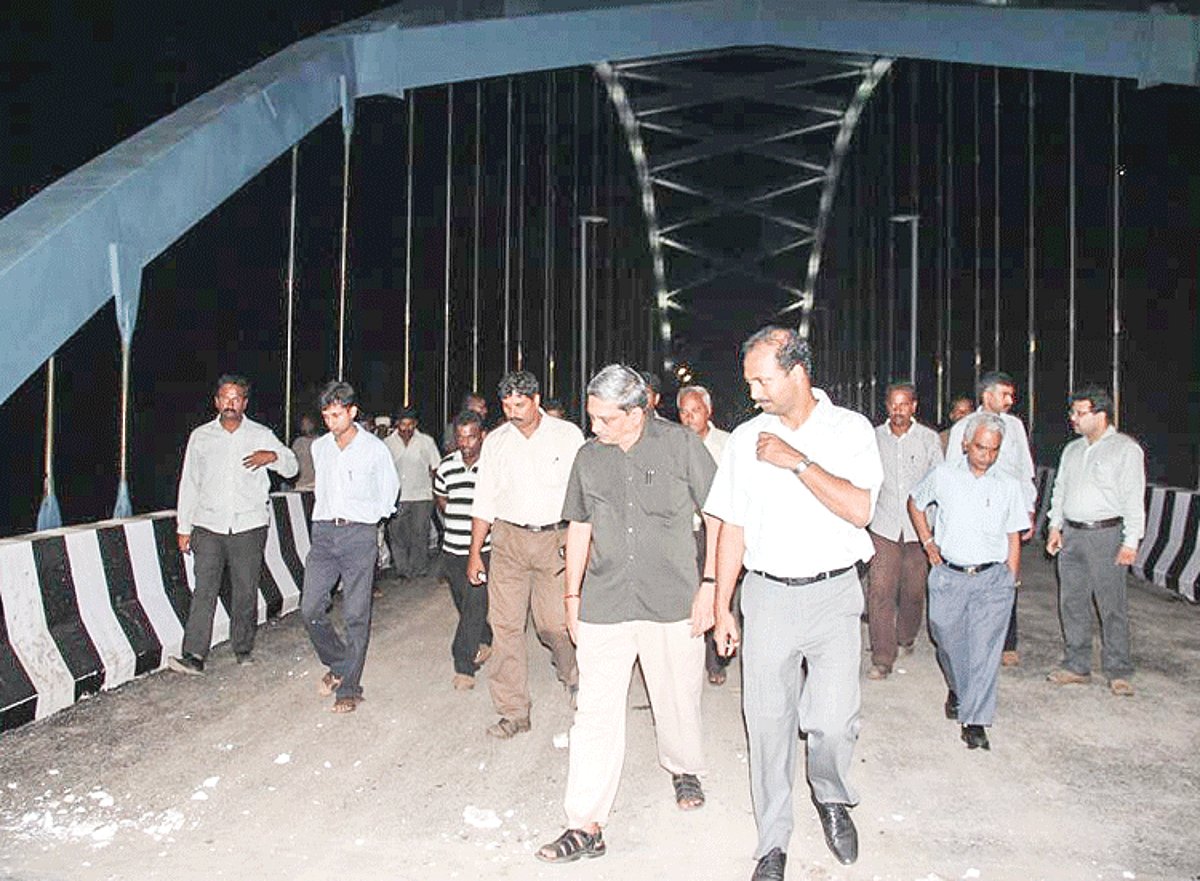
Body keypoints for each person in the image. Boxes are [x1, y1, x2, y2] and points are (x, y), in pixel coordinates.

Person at [706, 326, 882, 877]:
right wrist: (721, 604)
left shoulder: (850, 430)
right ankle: (772, 841)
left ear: (797, 371)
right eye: (750, 381)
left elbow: (860, 510)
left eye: (762, 379)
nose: (754, 391)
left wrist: (797, 461)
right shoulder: (742, 439)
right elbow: (731, 526)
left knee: (831, 722)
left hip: (833, 594)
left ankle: (830, 793)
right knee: (767, 723)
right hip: (768, 595)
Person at [536, 366, 718, 864]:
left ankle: (683, 767)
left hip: (673, 599)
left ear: (637, 413)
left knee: (677, 695)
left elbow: (720, 515)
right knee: (593, 711)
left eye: (605, 419)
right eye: (592, 417)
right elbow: (579, 526)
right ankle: (586, 823)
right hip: (606, 599)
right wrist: (571, 598)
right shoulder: (589, 458)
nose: (595, 428)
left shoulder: (681, 446)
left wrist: (712, 586)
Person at [467, 370, 585, 739]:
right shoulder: (496, 442)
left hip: (555, 541)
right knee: (505, 629)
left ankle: (573, 675)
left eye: (520, 404)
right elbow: (484, 498)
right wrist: (475, 553)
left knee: (555, 625)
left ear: (536, 401)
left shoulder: (567, 436)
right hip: (509, 543)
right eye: (506, 405)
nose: (513, 411)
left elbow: (583, 493)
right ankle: (514, 711)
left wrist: (582, 540)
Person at [908, 413, 1028, 751]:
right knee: (946, 639)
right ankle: (959, 687)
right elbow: (916, 504)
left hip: (992, 579)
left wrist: (1010, 578)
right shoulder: (943, 475)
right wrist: (928, 543)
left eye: (993, 450)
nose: (986, 456)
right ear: (965, 444)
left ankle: (975, 720)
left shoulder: (1007, 484)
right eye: (980, 447)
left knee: (985, 651)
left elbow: (1014, 533)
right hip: (948, 576)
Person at [169, 374, 297, 675]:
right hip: (208, 525)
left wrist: (273, 456)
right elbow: (189, 483)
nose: (230, 403)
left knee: (245, 589)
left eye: (236, 398)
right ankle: (194, 655)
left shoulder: (261, 433)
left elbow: (292, 466)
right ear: (216, 401)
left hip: (248, 525)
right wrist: (183, 527)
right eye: (225, 397)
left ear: (245, 403)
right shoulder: (200, 437)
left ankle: (243, 648)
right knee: (204, 590)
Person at [300, 381, 400, 714]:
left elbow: (390, 491)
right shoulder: (320, 448)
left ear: (352, 412)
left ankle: (351, 687)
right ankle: (341, 663)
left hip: (358, 534)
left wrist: (370, 520)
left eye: (338, 415)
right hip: (325, 532)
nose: (332, 422)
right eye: (327, 416)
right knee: (310, 606)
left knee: (356, 613)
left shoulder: (374, 448)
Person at [1045, 387, 1145, 697]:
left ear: (1100, 415)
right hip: (1072, 535)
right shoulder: (1072, 450)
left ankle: (1118, 669)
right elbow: (1059, 490)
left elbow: (1133, 499)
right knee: (1072, 602)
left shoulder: (1125, 450)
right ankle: (1077, 665)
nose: (1072, 418)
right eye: (1073, 412)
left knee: (1111, 605)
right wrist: (1054, 526)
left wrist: (1131, 542)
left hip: (1106, 535)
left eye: (1079, 413)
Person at [945, 371, 1036, 667]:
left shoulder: (1016, 427)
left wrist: (1029, 509)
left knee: (1007, 573)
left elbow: (1025, 471)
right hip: (971, 514)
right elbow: (950, 473)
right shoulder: (963, 428)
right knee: (971, 574)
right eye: (1005, 394)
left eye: (1011, 395)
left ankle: (1008, 641)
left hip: (1005, 512)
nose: (1010, 400)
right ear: (987, 395)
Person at [866, 381, 943, 679]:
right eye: (893, 405)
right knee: (880, 591)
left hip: (918, 529)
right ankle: (882, 657)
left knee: (912, 591)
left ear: (914, 407)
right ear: (887, 406)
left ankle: (906, 635)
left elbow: (939, 480)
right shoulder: (873, 438)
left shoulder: (928, 439)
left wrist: (935, 531)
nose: (898, 410)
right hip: (883, 526)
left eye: (904, 405)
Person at [676, 383, 734, 685]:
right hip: (683, 532)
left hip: (719, 533)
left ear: (708, 411)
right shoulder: (673, 444)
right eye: (684, 412)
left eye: (695, 411)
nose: (689, 418)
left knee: (715, 592)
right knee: (685, 597)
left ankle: (716, 661)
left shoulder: (727, 444)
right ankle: (686, 661)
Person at [434, 410, 493, 691]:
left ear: (482, 436)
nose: (466, 443)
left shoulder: (492, 468)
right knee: (464, 603)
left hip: (484, 550)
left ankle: (464, 664)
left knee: (474, 605)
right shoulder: (447, 466)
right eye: (460, 437)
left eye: (471, 437)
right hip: (452, 549)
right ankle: (486, 637)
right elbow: (441, 496)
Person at [384, 406, 441, 579]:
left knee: (419, 533)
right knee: (397, 534)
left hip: (422, 496)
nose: (407, 429)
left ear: (415, 424)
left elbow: (435, 468)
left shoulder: (426, 441)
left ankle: (419, 567)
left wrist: (437, 493)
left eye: (410, 425)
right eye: (403, 425)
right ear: (397, 425)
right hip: (397, 496)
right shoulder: (387, 443)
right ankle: (402, 569)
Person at [290, 413, 318, 492]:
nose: (306, 427)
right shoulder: (298, 443)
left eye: (308, 423)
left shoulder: (321, 442)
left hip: (316, 485)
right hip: (301, 485)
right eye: (304, 424)